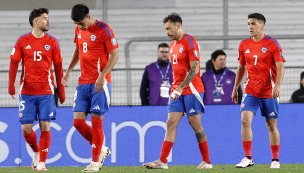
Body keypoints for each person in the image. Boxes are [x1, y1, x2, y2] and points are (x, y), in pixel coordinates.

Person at [143, 12, 212, 169]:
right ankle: (162, 160)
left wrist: (181, 88)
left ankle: (206, 161)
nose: (167, 32)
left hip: (192, 89)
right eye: (165, 29)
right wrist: (176, 88)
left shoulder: (190, 41)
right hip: (177, 90)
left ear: (178, 26)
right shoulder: (173, 46)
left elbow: (194, 69)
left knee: (195, 124)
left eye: (169, 28)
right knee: (170, 123)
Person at [61, 4, 119, 172]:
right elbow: (78, 50)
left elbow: (115, 55)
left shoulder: (104, 29)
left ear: (88, 16)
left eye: (81, 23)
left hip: (100, 84)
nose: (79, 26)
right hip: (83, 82)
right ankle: (101, 148)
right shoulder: (79, 29)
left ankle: (94, 163)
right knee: (78, 122)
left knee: (96, 124)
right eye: (76, 24)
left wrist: (102, 76)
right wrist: (69, 71)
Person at [8, 8, 65, 171]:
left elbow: (58, 67)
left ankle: (42, 163)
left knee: (45, 126)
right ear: (36, 21)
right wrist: (11, 85)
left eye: (48, 18)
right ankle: (36, 152)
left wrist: (61, 91)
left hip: (46, 92)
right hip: (27, 92)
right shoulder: (22, 41)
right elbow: (13, 63)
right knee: (26, 129)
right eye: (45, 18)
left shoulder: (53, 42)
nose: (48, 21)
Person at [231, 13, 285, 169]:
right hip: (250, 89)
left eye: (253, 24)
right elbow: (241, 67)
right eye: (248, 24)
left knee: (271, 125)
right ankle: (248, 158)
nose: (250, 27)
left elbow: (280, 65)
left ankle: (275, 160)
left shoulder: (272, 44)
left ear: (262, 25)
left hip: (269, 90)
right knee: (244, 120)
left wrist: (278, 85)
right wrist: (236, 88)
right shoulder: (243, 45)